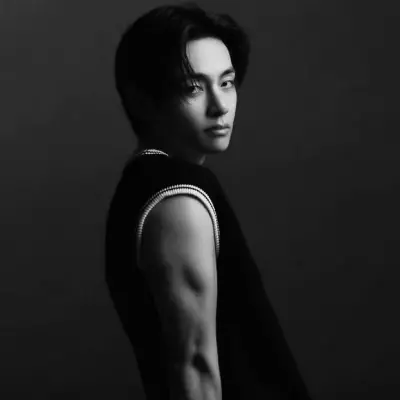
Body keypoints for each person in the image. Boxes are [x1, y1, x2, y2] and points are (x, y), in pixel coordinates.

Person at [105, 2, 313, 399]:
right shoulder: (177, 197)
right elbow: (195, 367)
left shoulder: (144, 183)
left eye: (227, 82)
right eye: (193, 87)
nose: (220, 106)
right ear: (143, 99)